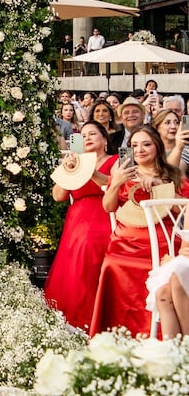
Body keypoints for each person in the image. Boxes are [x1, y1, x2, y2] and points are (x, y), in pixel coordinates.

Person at [89, 125, 189, 337]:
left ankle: (158, 338)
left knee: (161, 270)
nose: (140, 150)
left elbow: (184, 207)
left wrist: (158, 186)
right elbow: (108, 207)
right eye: (134, 145)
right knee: (111, 264)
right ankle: (116, 334)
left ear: (157, 146)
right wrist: (116, 183)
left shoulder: (172, 174)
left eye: (146, 144)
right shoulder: (124, 172)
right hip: (124, 242)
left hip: (163, 242)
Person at [43, 120, 116, 332]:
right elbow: (58, 196)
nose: (87, 138)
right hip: (76, 221)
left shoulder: (114, 161)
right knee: (72, 265)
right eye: (83, 136)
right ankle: (72, 321)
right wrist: (68, 170)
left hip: (103, 215)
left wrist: (89, 170)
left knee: (88, 249)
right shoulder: (75, 162)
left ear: (104, 140)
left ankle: (94, 319)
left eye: (93, 134)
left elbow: (112, 186)